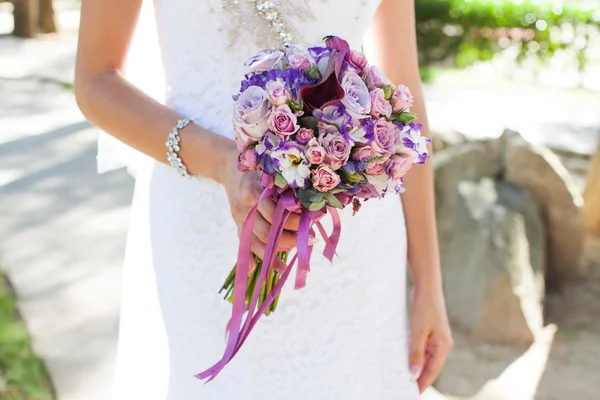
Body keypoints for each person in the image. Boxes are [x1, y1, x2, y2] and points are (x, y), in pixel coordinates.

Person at [75, 0, 452, 398]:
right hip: (203, 231)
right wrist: (222, 162)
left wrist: (429, 285)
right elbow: (96, 80)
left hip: (357, 254)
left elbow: (404, 90)